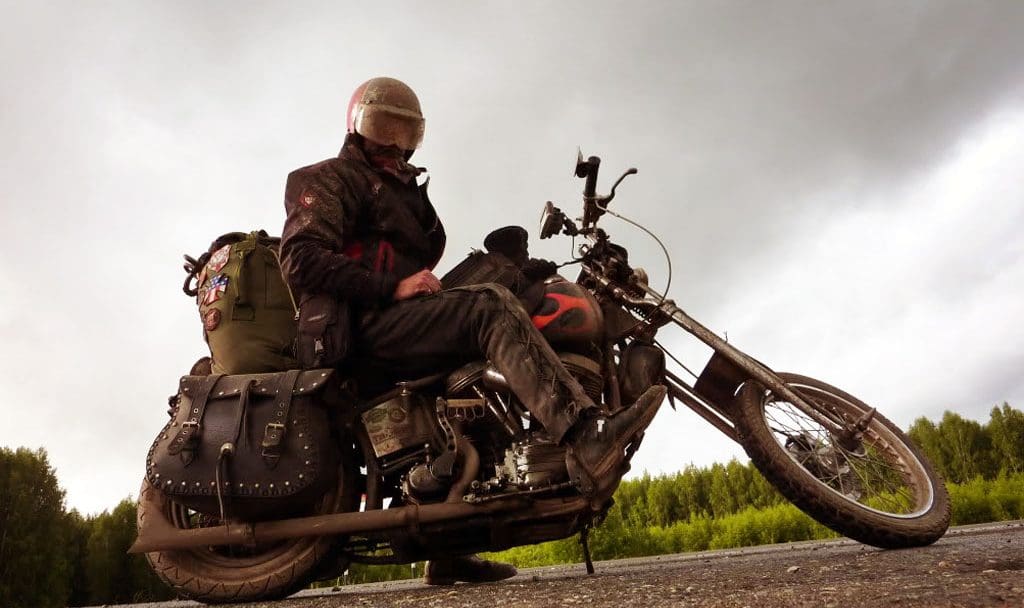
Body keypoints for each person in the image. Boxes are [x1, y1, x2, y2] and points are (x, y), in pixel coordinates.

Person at [280, 76, 666, 585]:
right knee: (487, 308)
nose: (394, 142)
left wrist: (517, 270)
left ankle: (450, 546)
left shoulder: (406, 193)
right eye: (382, 126)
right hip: (359, 327)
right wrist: (389, 289)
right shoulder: (329, 178)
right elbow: (299, 257)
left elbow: (425, 272)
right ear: (357, 125)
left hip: (393, 320)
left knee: (488, 336)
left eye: (405, 130)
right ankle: (584, 433)